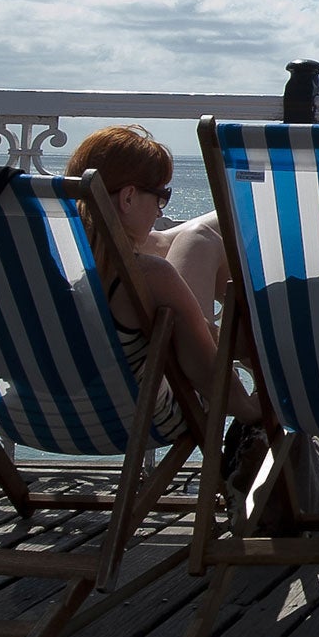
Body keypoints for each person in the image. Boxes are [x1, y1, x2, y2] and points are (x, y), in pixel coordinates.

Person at [63, 125, 257, 423]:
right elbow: (213, 382)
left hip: (23, 415)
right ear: (128, 198)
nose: (159, 212)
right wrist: (262, 409)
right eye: (160, 196)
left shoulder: (45, 262)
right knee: (200, 238)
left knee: (196, 236)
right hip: (132, 418)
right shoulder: (151, 276)